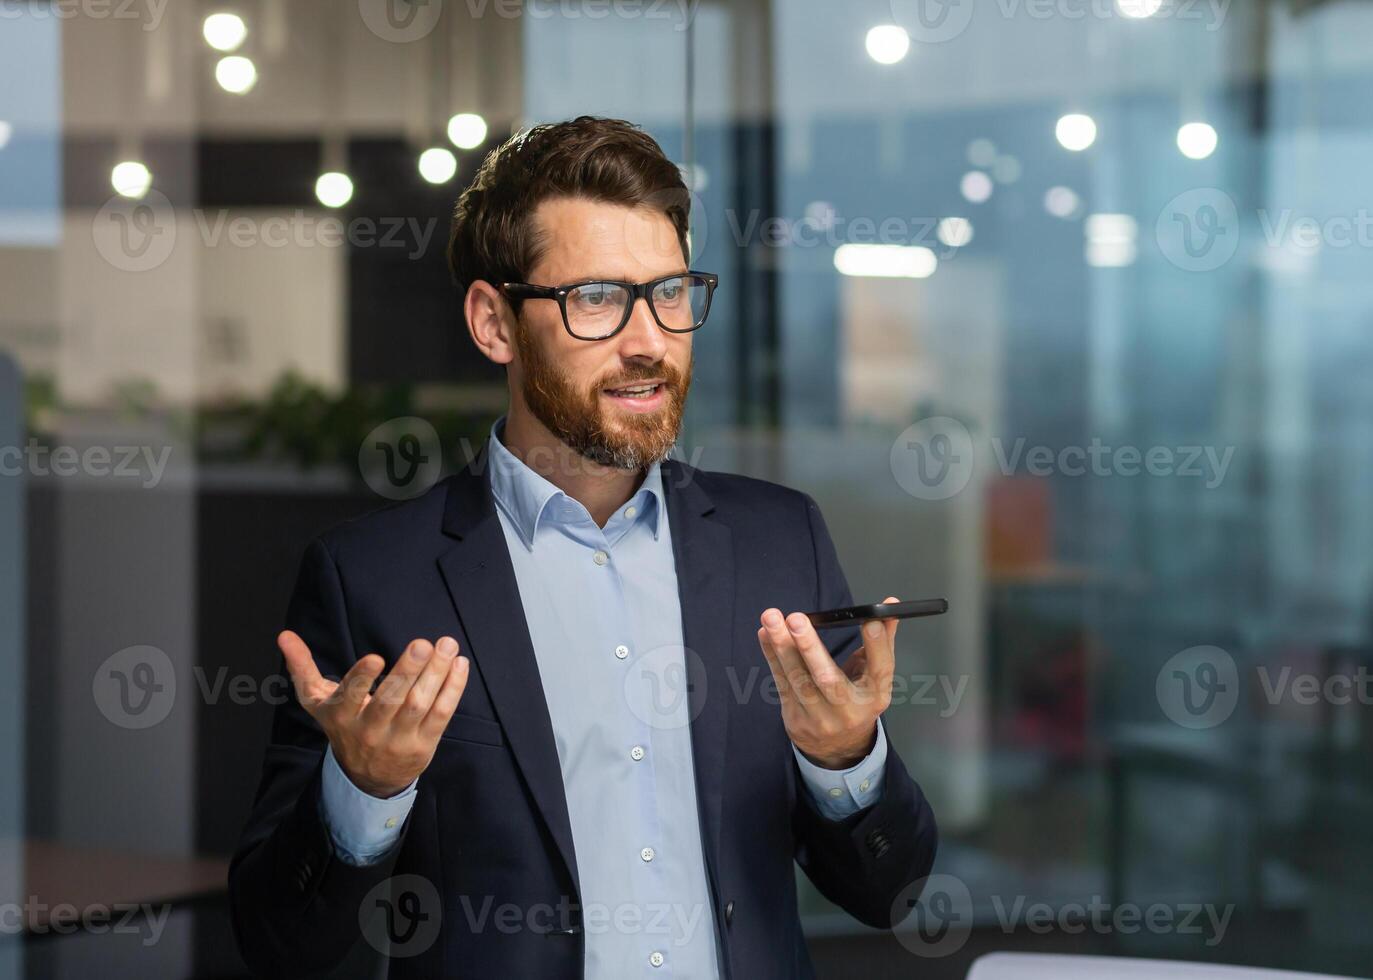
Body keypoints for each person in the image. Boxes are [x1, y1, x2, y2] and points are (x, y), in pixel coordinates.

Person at [228, 115, 937, 979]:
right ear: (494, 324)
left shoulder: (780, 540)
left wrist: (846, 765)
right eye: (597, 299)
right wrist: (363, 792)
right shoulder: (372, 578)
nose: (649, 342)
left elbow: (888, 890)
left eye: (670, 293)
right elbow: (279, 939)